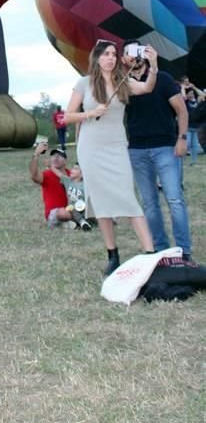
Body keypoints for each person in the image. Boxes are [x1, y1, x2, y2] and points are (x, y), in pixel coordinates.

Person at [63, 40, 158, 275]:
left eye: (114, 54)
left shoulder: (122, 82)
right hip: (91, 149)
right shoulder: (84, 84)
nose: (111, 58)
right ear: (96, 58)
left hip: (116, 147)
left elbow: (147, 88)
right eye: (106, 54)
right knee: (101, 203)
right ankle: (112, 254)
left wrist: (153, 65)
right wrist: (90, 113)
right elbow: (67, 117)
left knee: (128, 197)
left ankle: (150, 253)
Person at [122, 42, 192, 262]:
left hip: (165, 147)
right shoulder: (122, 84)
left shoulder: (163, 79)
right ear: (123, 58)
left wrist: (181, 139)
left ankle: (184, 251)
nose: (134, 57)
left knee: (174, 199)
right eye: (129, 53)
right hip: (137, 150)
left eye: (138, 51)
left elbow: (181, 111)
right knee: (150, 203)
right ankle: (161, 250)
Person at [29, 144, 91, 230]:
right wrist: (36, 155)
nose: (56, 157)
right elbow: (34, 176)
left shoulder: (72, 175)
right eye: (53, 156)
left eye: (60, 155)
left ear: (65, 160)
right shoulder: (47, 175)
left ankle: (73, 223)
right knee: (62, 212)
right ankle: (81, 221)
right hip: (56, 213)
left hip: (73, 210)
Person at [180, 77, 205, 165]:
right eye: (190, 93)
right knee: (187, 144)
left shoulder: (198, 102)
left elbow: (203, 95)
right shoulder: (185, 102)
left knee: (194, 146)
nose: (191, 95)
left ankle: (194, 162)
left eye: (192, 93)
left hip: (196, 127)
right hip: (188, 127)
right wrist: (183, 87)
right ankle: (182, 161)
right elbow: (183, 97)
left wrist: (193, 87)